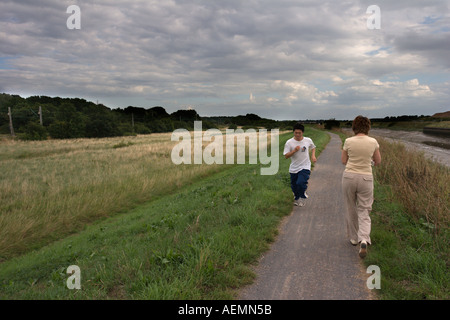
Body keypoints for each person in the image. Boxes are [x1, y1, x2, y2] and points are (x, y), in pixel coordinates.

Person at [341, 115, 381, 258]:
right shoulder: (373, 142)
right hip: (366, 178)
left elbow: (343, 160)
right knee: (364, 209)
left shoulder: (348, 141)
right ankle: (363, 239)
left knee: (350, 206)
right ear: (368, 127)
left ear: (354, 127)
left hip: (349, 176)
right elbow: (378, 161)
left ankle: (353, 238)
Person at [283, 123, 317, 207]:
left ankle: (302, 195)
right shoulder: (289, 142)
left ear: (303, 132)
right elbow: (286, 156)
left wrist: (313, 155)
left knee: (300, 183)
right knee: (294, 186)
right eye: (296, 133)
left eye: (299, 133)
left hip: (305, 166)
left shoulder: (308, 140)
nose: (297, 135)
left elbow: (313, 147)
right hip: (294, 167)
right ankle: (297, 198)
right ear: (293, 132)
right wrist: (294, 150)